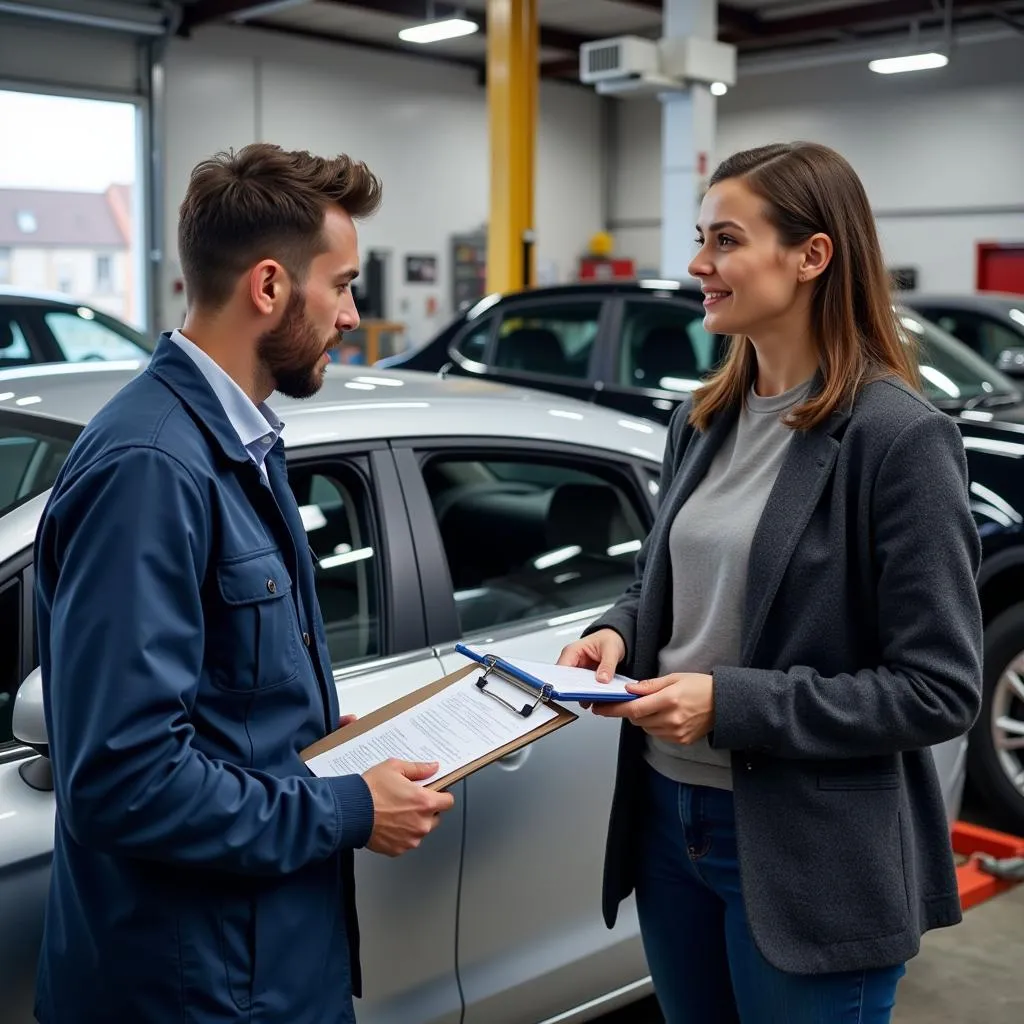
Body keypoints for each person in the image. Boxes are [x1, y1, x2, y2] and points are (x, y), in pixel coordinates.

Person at [557, 142, 983, 1024]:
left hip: (809, 853)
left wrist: (731, 704)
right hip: (670, 825)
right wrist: (618, 632)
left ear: (812, 255)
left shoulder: (897, 440)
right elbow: (662, 584)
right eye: (699, 238)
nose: (696, 265)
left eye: (724, 240)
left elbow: (938, 690)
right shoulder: (702, 417)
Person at [33, 143, 454, 1024]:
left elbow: (217, 698)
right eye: (340, 286)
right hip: (199, 988)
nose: (351, 316)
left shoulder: (237, 439)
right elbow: (125, 780)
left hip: (262, 965)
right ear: (269, 286)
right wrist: (346, 809)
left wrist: (309, 732)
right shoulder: (151, 467)